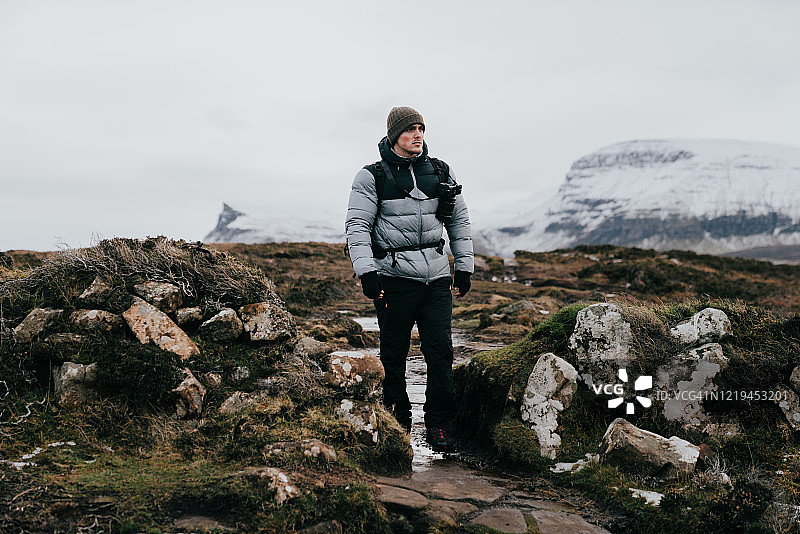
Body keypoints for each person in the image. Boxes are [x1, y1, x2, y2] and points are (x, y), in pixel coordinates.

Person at [345, 106, 474, 453]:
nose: (418, 135)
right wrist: (367, 272)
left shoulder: (441, 171)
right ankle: (397, 422)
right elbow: (357, 226)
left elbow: (459, 221)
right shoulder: (371, 177)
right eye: (410, 129)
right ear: (394, 136)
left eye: (421, 128)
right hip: (393, 279)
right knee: (393, 355)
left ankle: (439, 425)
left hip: (436, 277)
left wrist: (464, 267)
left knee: (440, 353)